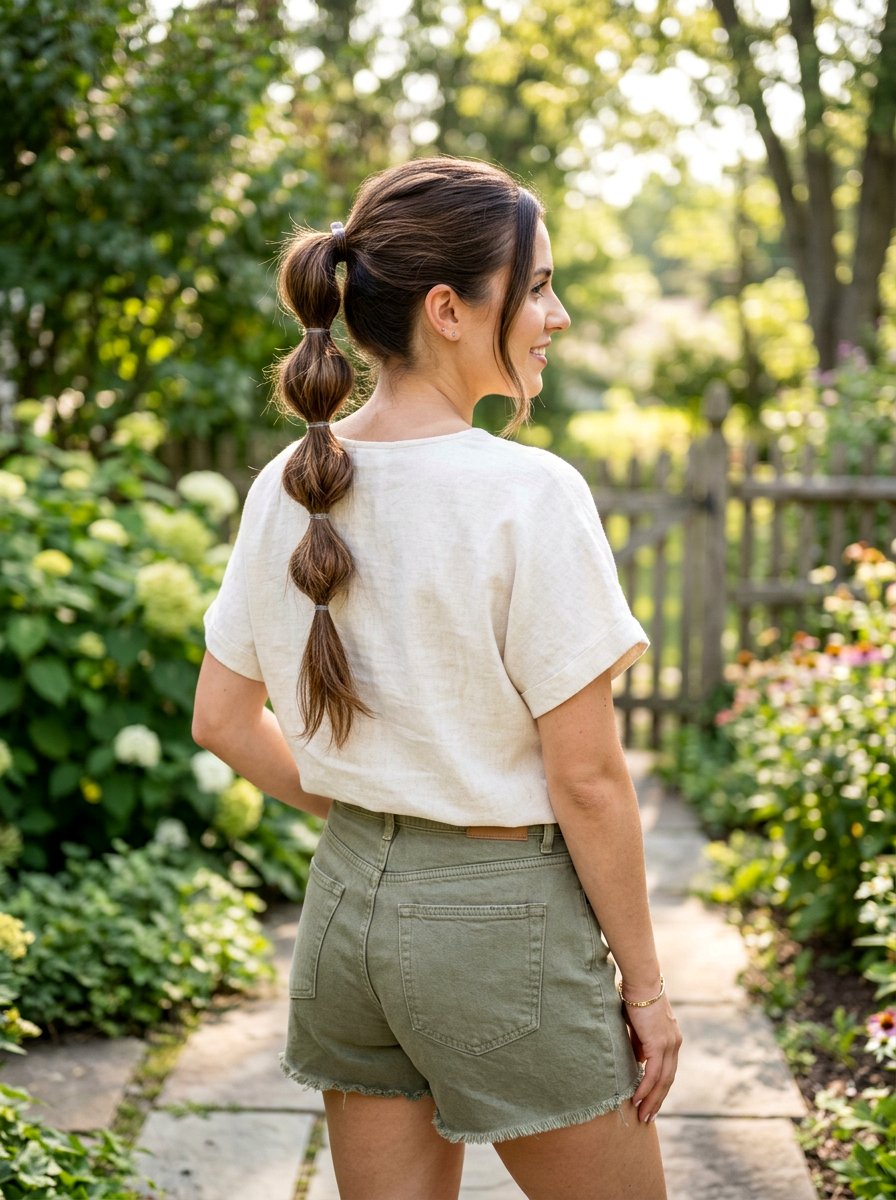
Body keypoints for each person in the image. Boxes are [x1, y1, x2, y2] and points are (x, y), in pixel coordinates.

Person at [192, 155, 681, 1200]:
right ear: (451, 309)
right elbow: (588, 781)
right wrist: (645, 990)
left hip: (342, 918)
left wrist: (378, 815)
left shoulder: (285, 485)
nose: (556, 315)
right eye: (538, 286)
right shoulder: (527, 494)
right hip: (495, 926)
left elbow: (223, 722)